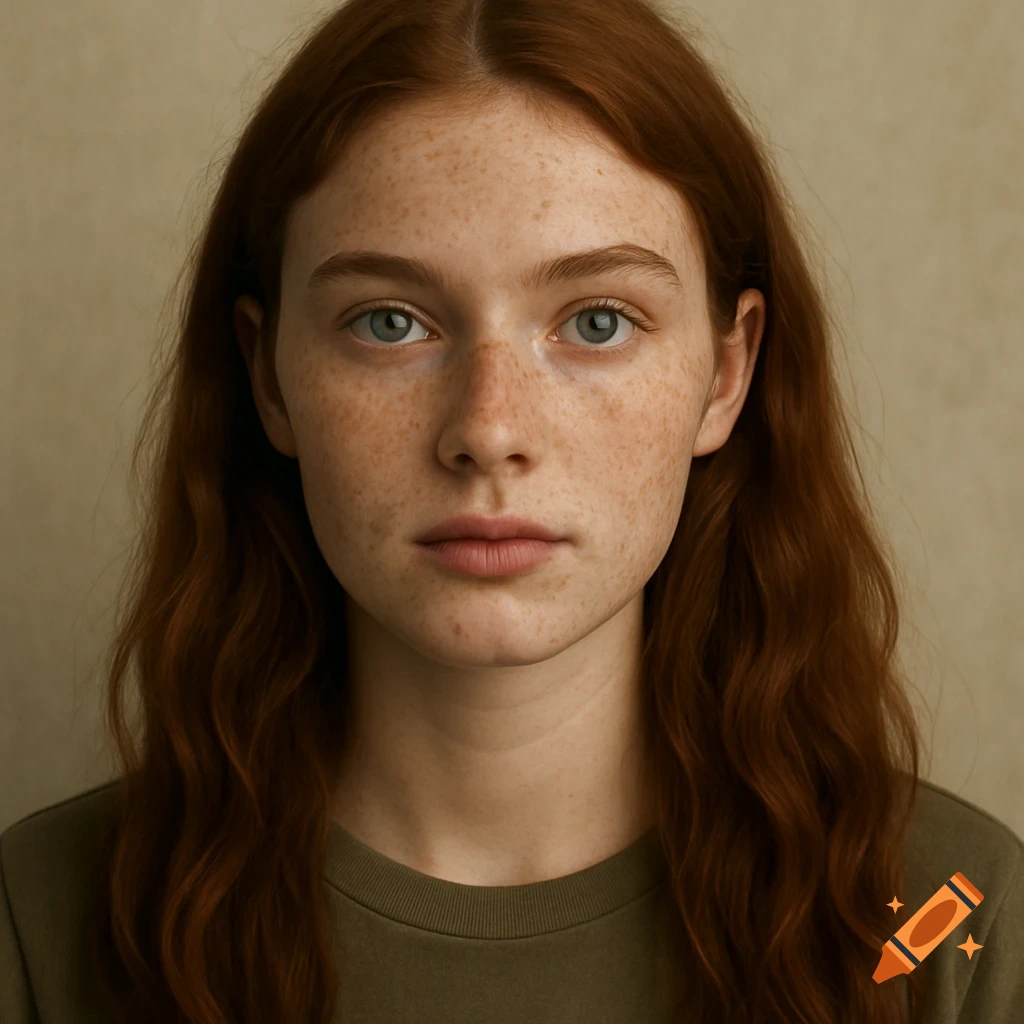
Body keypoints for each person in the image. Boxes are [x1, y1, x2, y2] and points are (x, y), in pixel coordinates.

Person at [2, 0, 1022, 1021]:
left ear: (724, 372)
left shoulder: (940, 915)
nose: (489, 431)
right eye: (389, 322)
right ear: (269, 377)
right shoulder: (45, 927)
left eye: (596, 320)